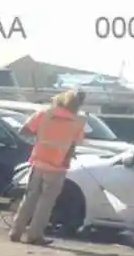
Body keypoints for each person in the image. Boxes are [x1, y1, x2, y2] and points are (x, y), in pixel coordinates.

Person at [10, 89, 88, 244]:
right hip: (57, 166)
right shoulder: (77, 121)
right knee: (46, 202)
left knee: (29, 198)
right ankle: (34, 235)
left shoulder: (45, 113)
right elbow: (75, 143)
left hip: (38, 161)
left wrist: (41, 137)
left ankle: (16, 231)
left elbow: (24, 130)